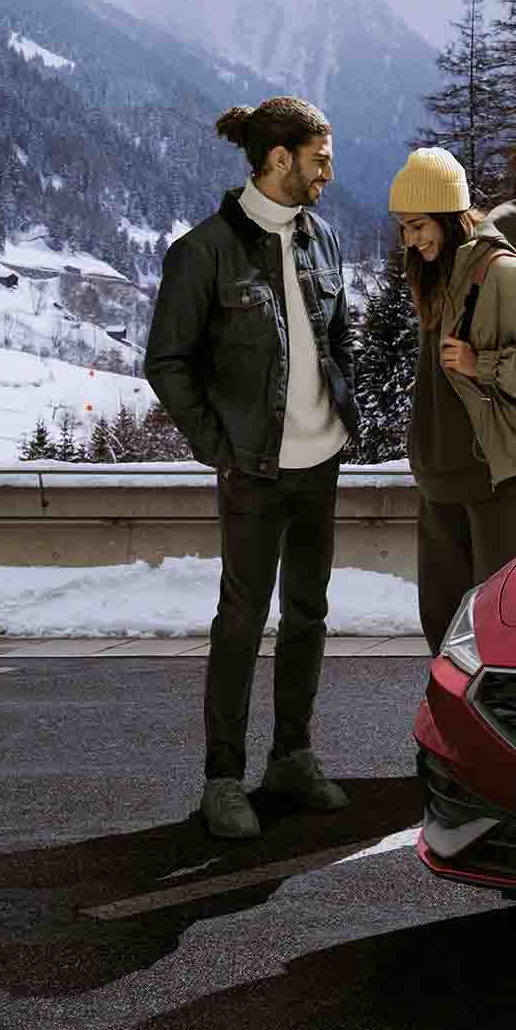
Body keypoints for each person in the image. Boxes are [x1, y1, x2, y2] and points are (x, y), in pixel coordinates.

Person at [142, 97, 361, 839]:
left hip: (320, 463)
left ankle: (292, 757)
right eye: (320, 159)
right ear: (278, 160)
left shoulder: (322, 239)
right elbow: (166, 363)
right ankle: (223, 778)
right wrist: (219, 446)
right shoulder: (202, 252)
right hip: (253, 471)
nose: (329, 172)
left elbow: (339, 340)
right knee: (241, 621)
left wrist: (341, 416)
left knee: (309, 615)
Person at [386, 147, 516, 653]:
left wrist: (485, 364)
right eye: (404, 230)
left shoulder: (500, 273)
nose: (411, 241)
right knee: (444, 635)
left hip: (497, 482)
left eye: (419, 226)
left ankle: (506, 733)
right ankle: (448, 732)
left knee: (503, 634)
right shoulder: (438, 272)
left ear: (449, 216)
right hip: (440, 484)